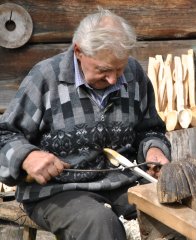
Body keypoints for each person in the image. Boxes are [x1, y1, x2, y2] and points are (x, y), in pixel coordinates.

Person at [0, 7, 171, 240]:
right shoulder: (46, 77)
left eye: (118, 70)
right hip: (58, 191)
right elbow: (5, 135)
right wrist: (28, 157)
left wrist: (154, 149)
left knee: (174, 216)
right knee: (100, 225)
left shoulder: (134, 74)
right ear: (78, 51)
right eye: (103, 70)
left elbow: (150, 129)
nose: (113, 79)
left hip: (123, 184)